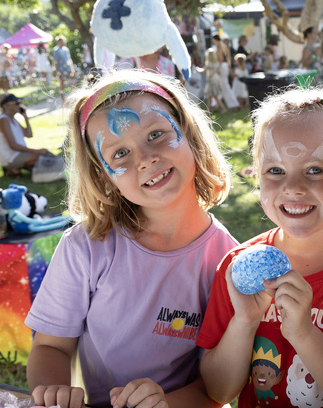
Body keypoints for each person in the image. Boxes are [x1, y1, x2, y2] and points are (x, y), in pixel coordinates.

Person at [24, 69, 238, 408]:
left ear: (188, 133)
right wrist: (53, 391)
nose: (146, 159)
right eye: (120, 153)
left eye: (156, 134)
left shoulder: (227, 260)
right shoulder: (85, 247)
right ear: (104, 177)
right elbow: (51, 346)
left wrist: (164, 404)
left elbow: (216, 387)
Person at [195, 88, 323, 408]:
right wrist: (244, 321)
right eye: (275, 170)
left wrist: (304, 332)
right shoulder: (236, 268)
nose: (292, 187)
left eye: (315, 170)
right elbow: (219, 392)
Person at [0, 93, 53, 176]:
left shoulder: (13, 119)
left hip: (19, 154)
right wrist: (37, 151)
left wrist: (25, 118)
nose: (19, 105)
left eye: (19, 103)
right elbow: (13, 145)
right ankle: (13, 168)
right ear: (5, 105)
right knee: (43, 157)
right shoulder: (3, 120)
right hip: (11, 157)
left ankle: (15, 170)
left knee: (46, 157)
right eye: (16, 103)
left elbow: (29, 135)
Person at [212, 34, 240, 111]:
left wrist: (218, 67)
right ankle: (215, 105)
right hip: (225, 66)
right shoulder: (224, 46)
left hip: (221, 67)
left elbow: (220, 59)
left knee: (224, 86)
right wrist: (229, 67)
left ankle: (235, 104)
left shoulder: (219, 46)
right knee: (221, 86)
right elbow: (228, 58)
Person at [201, 47, 226, 113]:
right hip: (216, 79)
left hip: (211, 81)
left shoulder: (208, 64)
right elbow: (219, 72)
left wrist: (197, 68)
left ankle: (223, 109)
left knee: (214, 96)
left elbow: (203, 71)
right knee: (211, 96)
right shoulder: (217, 63)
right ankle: (209, 110)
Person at [52, 35, 75, 102]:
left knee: (73, 82)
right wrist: (55, 70)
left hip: (67, 68)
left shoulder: (66, 49)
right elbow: (55, 61)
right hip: (60, 69)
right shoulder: (56, 50)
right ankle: (62, 98)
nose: (63, 42)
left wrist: (72, 68)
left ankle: (73, 95)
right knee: (62, 83)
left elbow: (69, 59)